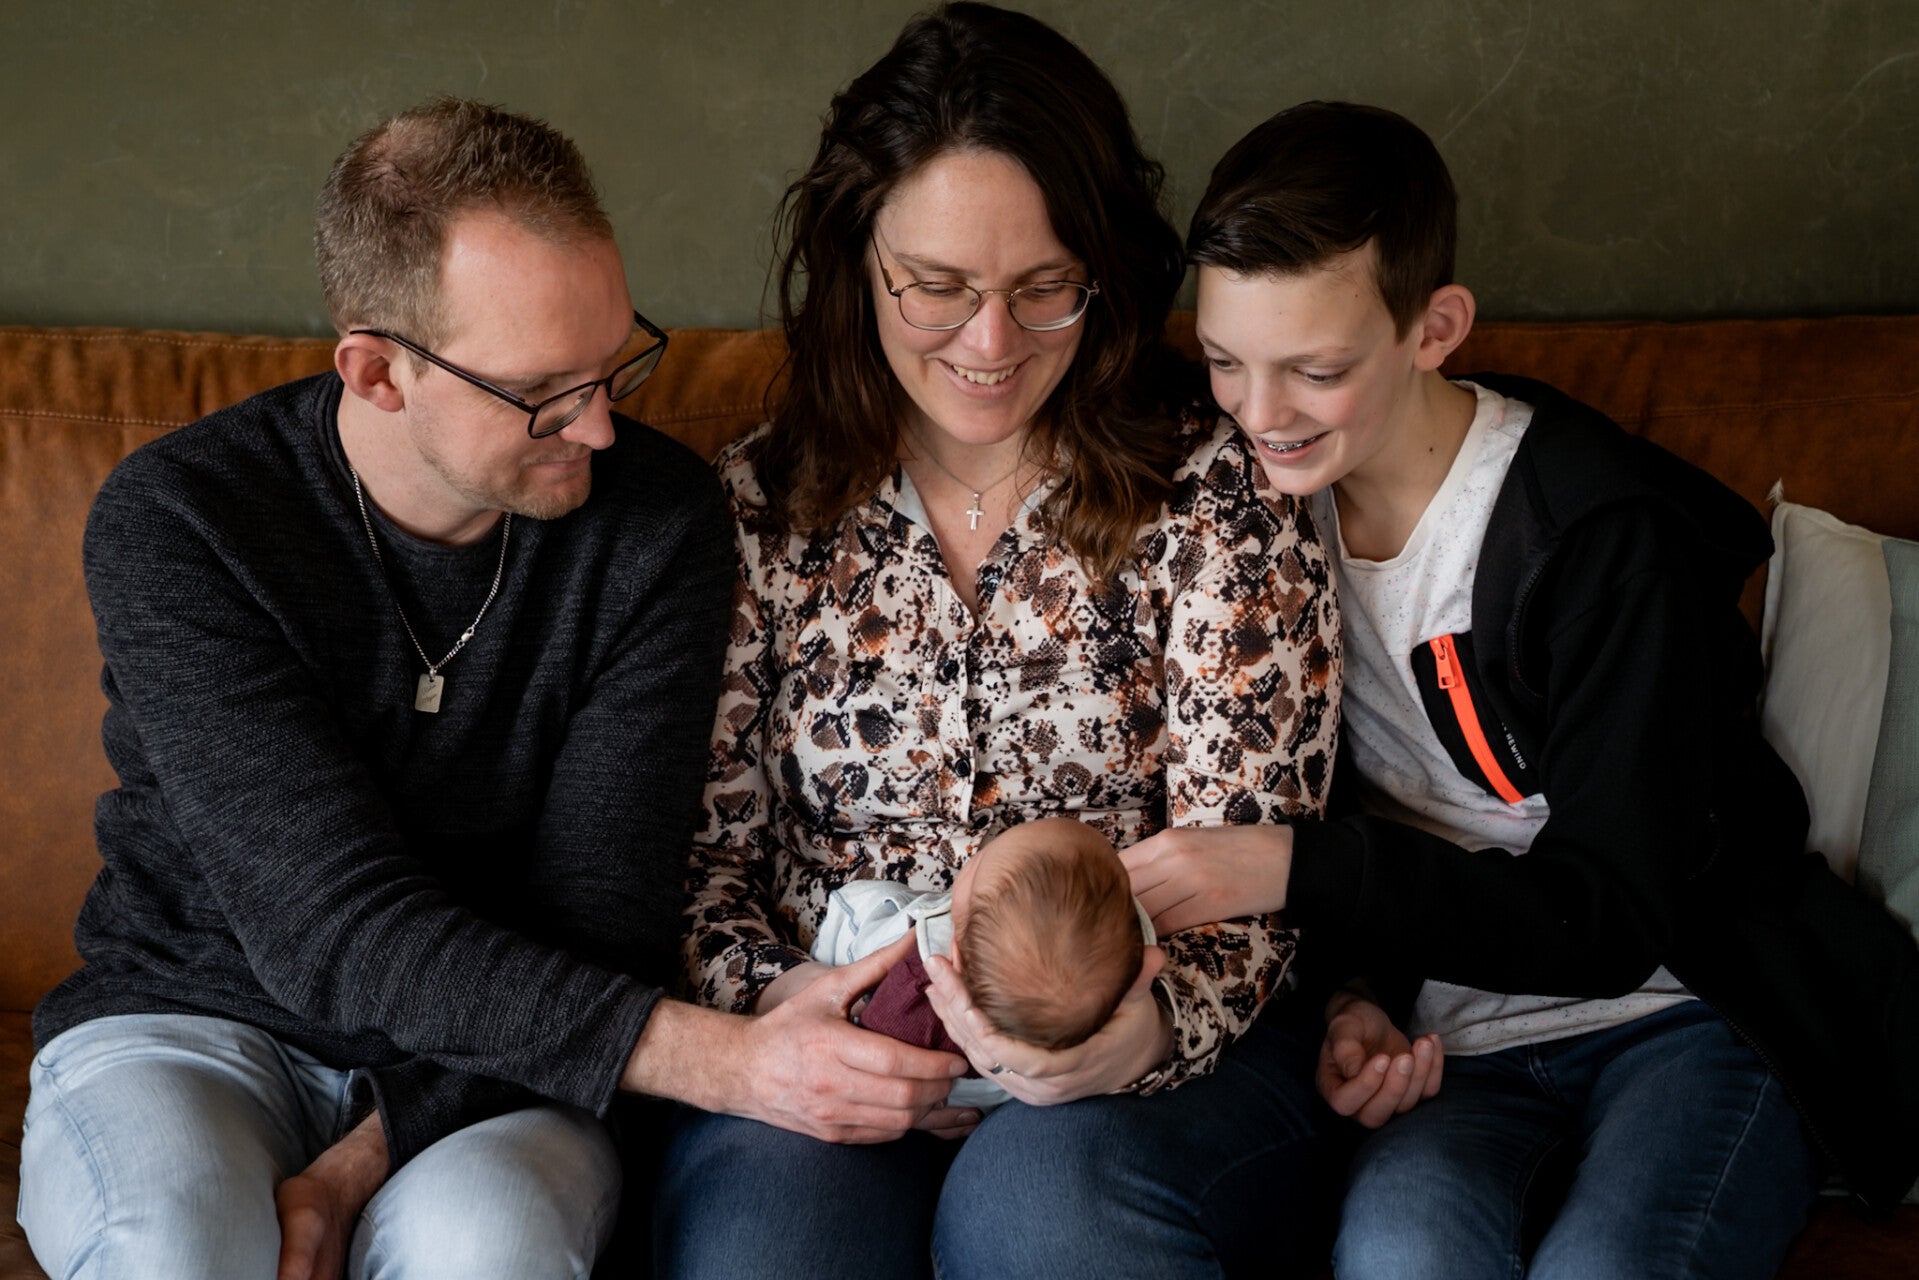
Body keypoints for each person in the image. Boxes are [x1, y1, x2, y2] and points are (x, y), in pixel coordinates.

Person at [15, 97, 936, 1280]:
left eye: (614, 365)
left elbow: (599, 922)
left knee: (486, 1246)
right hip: (191, 1027)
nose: (598, 429)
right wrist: (730, 1061)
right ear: (377, 372)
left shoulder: (653, 524)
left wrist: (354, 1168)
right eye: (543, 390)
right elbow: (331, 926)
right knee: (175, 1247)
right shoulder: (185, 520)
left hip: (512, 1070)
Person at [1123, 98, 1919, 1278]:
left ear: (1433, 328)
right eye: (1226, 361)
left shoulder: (1594, 538)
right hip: (1456, 1040)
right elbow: (1360, 806)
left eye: (1315, 370)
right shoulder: (1256, 527)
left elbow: (1610, 913)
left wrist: (1287, 865)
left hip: (1686, 1008)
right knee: (1401, 1256)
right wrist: (1355, 997)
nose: (1258, 413)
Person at [662, 6, 1340, 1278]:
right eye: (936, 287)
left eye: (1043, 288)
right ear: (855, 258)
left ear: (1104, 268)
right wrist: (781, 1009)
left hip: (1147, 1057)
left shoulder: (1215, 495)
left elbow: (1256, 866)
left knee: (1041, 1211)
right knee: (771, 1242)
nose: (990, 344)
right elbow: (703, 860)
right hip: (827, 1043)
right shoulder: (759, 507)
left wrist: (1136, 1034)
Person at [815, 817, 1155, 1109]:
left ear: (956, 954)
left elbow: (866, 1051)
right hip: (1000, 1101)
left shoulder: (914, 985)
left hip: (896, 1084)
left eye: (979, 862)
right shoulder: (1104, 978)